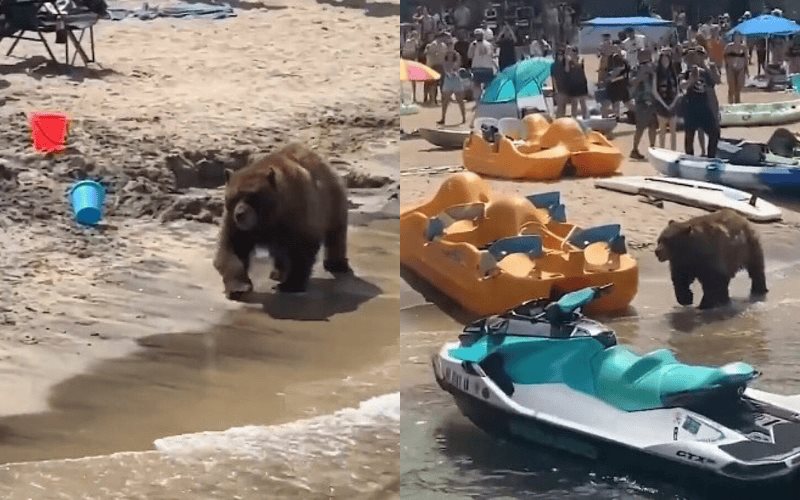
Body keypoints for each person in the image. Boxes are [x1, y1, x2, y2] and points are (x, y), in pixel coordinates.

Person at [680, 47, 721, 158]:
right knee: (689, 135)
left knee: (715, 133)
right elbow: (682, 85)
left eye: (700, 55)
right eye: (695, 56)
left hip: (704, 106)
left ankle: (711, 156)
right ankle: (689, 158)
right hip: (691, 107)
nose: (698, 58)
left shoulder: (705, 71)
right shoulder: (686, 72)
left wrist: (711, 69)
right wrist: (692, 80)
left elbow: (715, 82)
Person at [630, 49, 657, 160]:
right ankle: (634, 149)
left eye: (647, 54)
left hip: (653, 100)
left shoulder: (654, 68)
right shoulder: (635, 69)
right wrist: (640, 76)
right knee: (640, 127)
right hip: (641, 101)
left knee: (653, 126)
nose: (646, 57)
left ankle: (653, 148)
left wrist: (652, 72)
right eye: (643, 55)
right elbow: (632, 83)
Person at [652, 50, 680, 150]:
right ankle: (662, 149)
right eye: (663, 59)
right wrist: (664, 104)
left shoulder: (673, 73)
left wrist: (673, 103)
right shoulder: (657, 73)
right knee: (662, 130)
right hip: (661, 104)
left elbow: (678, 89)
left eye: (666, 59)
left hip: (673, 103)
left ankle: (673, 151)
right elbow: (654, 91)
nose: (665, 61)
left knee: (673, 131)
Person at [438, 38, 467, 125]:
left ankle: (464, 118)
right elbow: (444, 65)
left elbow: (457, 64)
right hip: (448, 78)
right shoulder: (444, 55)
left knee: (460, 100)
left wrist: (453, 71)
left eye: (451, 45)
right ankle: (443, 118)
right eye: (449, 45)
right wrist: (448, 72)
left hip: (456, 78)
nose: (450, 47)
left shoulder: (457, 55)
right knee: (445, 101)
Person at [605, 45, 632, 119]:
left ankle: (635, 115)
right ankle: (617, 117)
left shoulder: (622, 60)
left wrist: (613, 78)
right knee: (618, 102)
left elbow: (624, 72)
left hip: (621, 84)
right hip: (615, 85)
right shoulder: (611, 59)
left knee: (627, 102)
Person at [468, 28, 495, 101]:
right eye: (476, 35)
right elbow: (469, 56)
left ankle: (488, 99)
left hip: (487, 67)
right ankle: (478, 100)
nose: (478, 36)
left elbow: (491, 55)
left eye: (479, 35)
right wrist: (473, 48)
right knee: (477, 85)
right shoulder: (473, 44)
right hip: (476, 67)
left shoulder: (488, 44)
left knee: (488, 85)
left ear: (483, 35)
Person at [564, 45, 589, 118]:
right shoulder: (568, 61)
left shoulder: (580, 59)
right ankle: (574, 118)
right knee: (574, 103)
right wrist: (567, 61)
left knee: (582, 102)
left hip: (581, 83)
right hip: (573, 84)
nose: (572, 53)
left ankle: (585, 117)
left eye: (573, 51)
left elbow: (580, 67)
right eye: (571, 51)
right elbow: (567, 70)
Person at [724, 32, 748, 104]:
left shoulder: (743, 47)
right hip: (731, 68)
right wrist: (728, 66)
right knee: (732, 86)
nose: (737, 38)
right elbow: (725, 57)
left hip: (741, 68)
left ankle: (737, 101)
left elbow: (746, 58)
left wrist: (746, 69)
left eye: (739, 36)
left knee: (739, 86)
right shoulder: (729, 47)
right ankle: (730, 101)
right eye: (736, 36)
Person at [424, 33, 448, 105]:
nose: (446, 39)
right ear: (441, 37)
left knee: (442, 84)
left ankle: (442, 98)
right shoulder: (434, 44)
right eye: (445, 37)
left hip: (441, 66)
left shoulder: (444, 45)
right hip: (433, 65)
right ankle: (432, 99)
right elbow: (429, 54)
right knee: (433, 84)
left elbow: (445, 56)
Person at [402, 30, 421, 102]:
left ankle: (413, 97)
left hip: (409, 61)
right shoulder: (412, 41)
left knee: (411, 80)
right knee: (411, 81)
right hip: (409, 61)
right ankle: (413, 97)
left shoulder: (409, 41)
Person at [551, 48, 569, 117]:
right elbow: (553, 78)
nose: (560, 56)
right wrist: (556, 90)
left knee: (564, 106)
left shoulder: (564, 64)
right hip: (558, 89)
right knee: (560, 107)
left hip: (565, 88)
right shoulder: (553, 65)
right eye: (559, 55)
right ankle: (557, 121)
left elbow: (567, 71)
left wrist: (566, 60)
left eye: (561, 55)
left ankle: (562, 121)